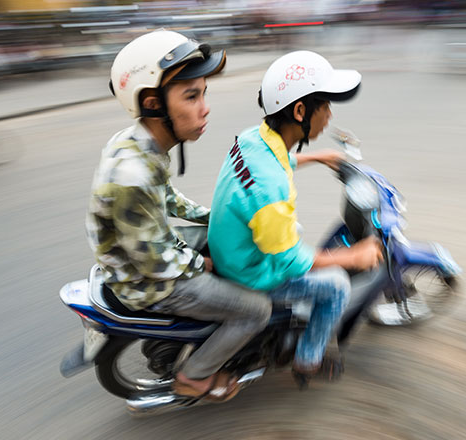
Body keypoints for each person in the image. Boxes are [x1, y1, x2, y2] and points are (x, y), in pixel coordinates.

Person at [86, 30, 271, 402]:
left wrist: (212, 217)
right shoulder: (132, 176)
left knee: (222, 245)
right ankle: (194, 375)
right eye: (191, 96)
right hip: (147, 280)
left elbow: (167, 198)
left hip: (144, 253)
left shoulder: (140, 143)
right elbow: (156, 261)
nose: (205, 107)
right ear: (154, 104)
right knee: (256, 310)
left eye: (204, 93)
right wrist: (200, 264)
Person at [208, 51, 382, 386]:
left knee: (298, 234)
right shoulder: (271, 191)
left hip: (233, 249)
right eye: (325, 106)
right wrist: (352, 256)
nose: (330, 115)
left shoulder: (252, 139)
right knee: (335, 284)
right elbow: (290, 260)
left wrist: (317, 157)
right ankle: (308, 359)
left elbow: (277, 160)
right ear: (300, 111)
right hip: (250, 273)